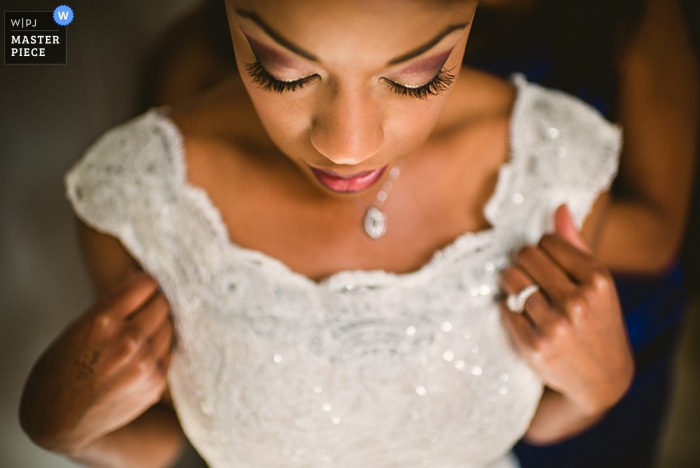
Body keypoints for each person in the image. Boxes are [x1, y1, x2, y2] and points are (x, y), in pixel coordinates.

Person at [19, 1, 635, 467]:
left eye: (417, 78)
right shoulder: (139, 193)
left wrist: (606, 381)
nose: (347, 148)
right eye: (282, 74)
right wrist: (59, 426)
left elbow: (546, 421)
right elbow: (159, 438)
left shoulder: (556, 162)